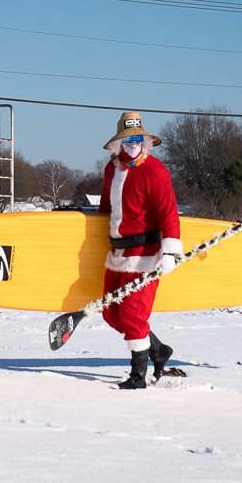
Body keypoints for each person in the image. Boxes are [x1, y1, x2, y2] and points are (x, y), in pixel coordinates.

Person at [98, 112, 183, 389]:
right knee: (111, 312)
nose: (132, 144)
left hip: (146, 255)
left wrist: (169, 251)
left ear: (145, 142)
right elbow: (105, 209)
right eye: (126, 140)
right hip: (117, 255)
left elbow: (169, 213)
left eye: (137, 139)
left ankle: (138, 377)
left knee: (134, 316)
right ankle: (158, 351)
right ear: (117, 144)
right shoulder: (112, 169)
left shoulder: (155, 171)